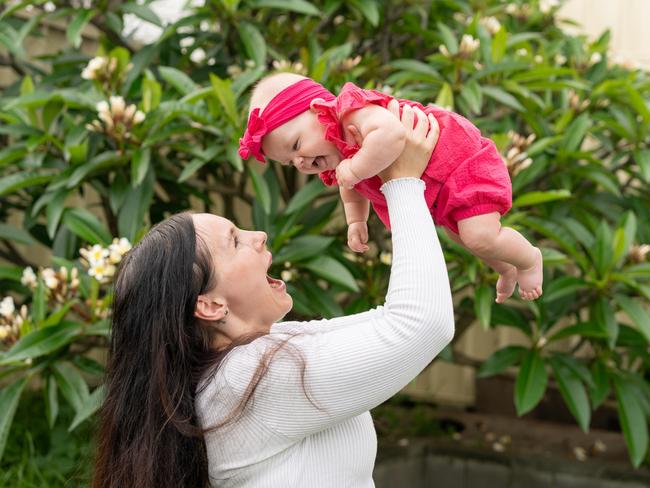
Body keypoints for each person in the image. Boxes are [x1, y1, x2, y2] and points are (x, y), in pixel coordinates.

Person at [92, 104, 454, 488]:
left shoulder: (256, 357)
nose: (258, 235)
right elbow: (421, 324)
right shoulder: (247, 380)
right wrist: (401, 182)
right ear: (211, 305)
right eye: (234, 241)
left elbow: (391, 322)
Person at [238, 73, 543, 303]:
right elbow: (352, 188)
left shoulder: (352, 111)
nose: (301, 161)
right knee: (466, 236)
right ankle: (506, 266)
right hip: (438, 190)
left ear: (319, 109)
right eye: (290, 162)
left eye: (296, 145)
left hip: (461, 164)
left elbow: (393, 135)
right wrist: (355, 219)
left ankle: (529, 258)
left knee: (479, 235)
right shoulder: (337, 157)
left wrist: (355, 168)